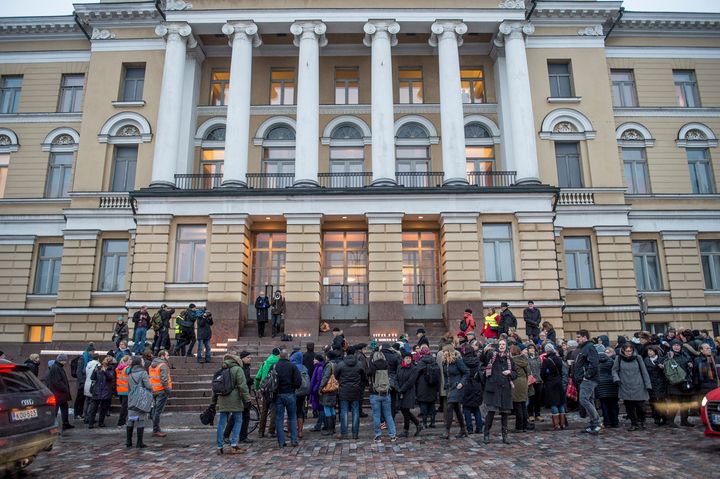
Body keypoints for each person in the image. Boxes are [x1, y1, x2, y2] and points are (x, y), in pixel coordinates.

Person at [215, 352, 252, 454]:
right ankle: (234, 445)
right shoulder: (238, 369)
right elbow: (242, 386)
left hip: (222, 399)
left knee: (221, 423)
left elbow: (215, 386)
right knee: (238, 420)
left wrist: (213, 402)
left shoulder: (221, 369)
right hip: (235, 399)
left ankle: (219, 446)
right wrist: (247, 399)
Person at [483, 338, 517, 444]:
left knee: (505, 414)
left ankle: (505, 436)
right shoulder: (492, 356)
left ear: (506, 346)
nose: (502, 346)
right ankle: (486, 434)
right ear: (498, 346)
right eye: (500, 344)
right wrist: (484, 351)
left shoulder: (509, 359)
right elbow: (482, 360)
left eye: (503, 344)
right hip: (494, 388)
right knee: (491, 412)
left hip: (505, 388)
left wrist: (509, 372)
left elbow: (515, 373)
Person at [612, 343, 652, 431]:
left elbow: (644, 372)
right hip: (625, 385)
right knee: (629, 407)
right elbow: (614, 370)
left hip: (638, 385)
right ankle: (634, 423)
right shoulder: (619, 359)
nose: (629, 353)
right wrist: (617, 379)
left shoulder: (638, 358)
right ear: (623, 351)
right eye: (627, 351)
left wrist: (648, 385)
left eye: (630, 351)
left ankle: (642, 421)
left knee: (640, 406)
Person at [335, 346, 366, 440]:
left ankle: (344, 433)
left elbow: (336, 375)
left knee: (344, 412)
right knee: (355, 412)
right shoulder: (359, 364)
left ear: (346, 353)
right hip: (356, 390)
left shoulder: (341, 364)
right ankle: (355, 434)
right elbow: (363, 376)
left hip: (344, 390)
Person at [574, 329, 601, 435]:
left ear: (585, 337)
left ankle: (597, 423)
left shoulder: (589, 347)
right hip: (584, 379)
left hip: (589, 379)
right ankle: (593, 424)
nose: (577, 339)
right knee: (589, 400)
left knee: (584, 399)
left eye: (578, 337)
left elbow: (594, 363)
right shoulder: (583, 348)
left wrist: (587, 376)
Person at [274, 348, 302, 448]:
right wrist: (294, 387)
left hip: (278, 394)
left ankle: (281, 442)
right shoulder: (292, 366)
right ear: (287, 356)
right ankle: (294, 440)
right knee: (292, 417)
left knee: (279, 418)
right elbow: (298, 380)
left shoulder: (275, 366)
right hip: (290, 393)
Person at [440, 343, 469, 439]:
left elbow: (466, 372)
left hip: (457, 387)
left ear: (449, 352)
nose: (443, 353)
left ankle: (446, 431)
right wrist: (445, 386)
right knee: (456, 409)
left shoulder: (457, 361)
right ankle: (463, 429)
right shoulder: (444, 362)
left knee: (449, 407)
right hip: (449, 388)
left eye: (444, 351)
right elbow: (445, 375)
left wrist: (462, 383)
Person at [368, 349, 397, 442]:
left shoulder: (373, 366)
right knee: (388, 415)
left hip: (375, 393)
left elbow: (368, 374)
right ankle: (392, 435)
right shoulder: (387, 365)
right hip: (386, 392)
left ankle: (378, 435)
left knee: (376, 415)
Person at [665, 339, 695, 427]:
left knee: (686, 403)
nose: (676, 347)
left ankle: (684, 420)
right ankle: (670, 421)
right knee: (675, 402)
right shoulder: (669, 355)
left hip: (685, 381)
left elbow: (690, 362)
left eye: (678, 345)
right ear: (672, 346)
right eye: (675, 345)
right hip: (674, 383)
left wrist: (690, 364)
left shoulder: (685, 354)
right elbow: (663, 363)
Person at [126, 356, 152, 449]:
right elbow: (148, 386)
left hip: (132, 399)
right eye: (142, 361)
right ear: (139, 363)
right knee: (140, 419)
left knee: (131, 418)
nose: (143, 362)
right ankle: (139, 442)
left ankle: (128, 442)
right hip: (141, 399)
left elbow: (128, 388)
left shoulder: (129, 372)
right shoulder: (143, 372)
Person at [254, 348, 280, 437]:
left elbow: (258, 377)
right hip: (274, 390)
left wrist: (257, 388)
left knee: (264, 411)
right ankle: (271, 431)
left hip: (265, 390)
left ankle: (261, 432)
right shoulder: (279, 363)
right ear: (278, 355)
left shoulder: (265, 362)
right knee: (273, 411)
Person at [540, 343, 566, 430]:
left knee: (554, 403)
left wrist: (546, 379)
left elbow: (542, 373)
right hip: (559, 382)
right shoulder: (559, 359)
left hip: (550, 383)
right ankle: (563, 424)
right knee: (561, 403)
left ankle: (556, 424)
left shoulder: (546, 360)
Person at [45, 353, 74, 431]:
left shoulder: (57, 367)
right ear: (62, 360)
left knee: (64, 407)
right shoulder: (56, 368)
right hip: (58, 393)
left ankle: (65, 423)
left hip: (60, 393)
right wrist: (65, 389)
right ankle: (53, 425)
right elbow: (57, 381)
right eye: (65, 360)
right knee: (55, 409)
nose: (66, 362)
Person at [396, 352, 422, 438]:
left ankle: (406, 430)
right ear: (403, 359)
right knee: (404, 410)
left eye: (409, 358)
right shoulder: (400, 367)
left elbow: (410, 382)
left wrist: (402, 389)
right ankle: (418, 424)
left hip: (408, 392)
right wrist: (397, 388)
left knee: (405, 410)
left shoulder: (414, 369)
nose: (408, 360)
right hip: (400, 391)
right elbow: (397, 378)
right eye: (407, 358)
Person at [149, 349, 172, 437]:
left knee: (155, 410)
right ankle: (156, 430)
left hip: (154, 390)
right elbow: (164, 380)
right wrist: (168, 390)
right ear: (162, 356)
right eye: (167, 355)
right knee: (158, 411)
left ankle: (155, 428)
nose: (168, 357)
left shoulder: (152, 365)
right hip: (162, 390)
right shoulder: (163, 365)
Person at [461, 346, 483, 435]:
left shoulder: (462, 361)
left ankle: (469, 429)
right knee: (476, 408)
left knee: (466, 408)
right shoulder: (477, 361)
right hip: (476, 384)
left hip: (466, 385)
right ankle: (479, 428)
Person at [87, 356, 114, 428]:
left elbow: (110, 378)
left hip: (106, 391)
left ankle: (101, 422)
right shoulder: (98, 368)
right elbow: (92, 378)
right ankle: (91, 423)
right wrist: (94, 371)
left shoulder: (111, 369)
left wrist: (105, 372)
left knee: (103, 409)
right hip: (97, 391)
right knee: (93, 408)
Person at [645, 345, 668, 426]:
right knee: (653, 402)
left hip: (661, 383)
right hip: (651, 383)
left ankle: (665, 418)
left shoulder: (661, 359)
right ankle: (656, 418)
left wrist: (663, 368)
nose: (649, 352)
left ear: (655, 351)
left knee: (661, 401)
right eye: (648, 351)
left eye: (651, 351)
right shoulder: (646, 360)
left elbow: (667, 371)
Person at [597, 346, 620, 429]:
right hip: (612, 384)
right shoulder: (611, 361)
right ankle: (615, 421)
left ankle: (607, 422)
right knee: (613, 404)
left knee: (604, 405)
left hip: (601, 385)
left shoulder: (597, 362)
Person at [319, 350, 340, 436]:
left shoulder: (328, 365)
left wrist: (320, 387)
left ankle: (329, 428)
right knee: (332, 408)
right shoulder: (336, 364)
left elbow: (326, 377)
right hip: (334, 388)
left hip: (328, 388)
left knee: (327, 407)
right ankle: (333, 428)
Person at [511, 345, 531, 433]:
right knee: (523, 404)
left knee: (518, 405)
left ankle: (519, 426)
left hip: (516, 382)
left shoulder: (512, 361)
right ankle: (525, 425)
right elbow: (528, 372)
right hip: (524, 381)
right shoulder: (524, 360)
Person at [236, 351, 255, 444]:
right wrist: (251, 381)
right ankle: (242, 437)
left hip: (245, 393)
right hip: (243, 395)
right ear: (242, 358)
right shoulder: (241, 368)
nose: (250, 358)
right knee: (244, 416)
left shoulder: (246, 367)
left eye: (250, 357)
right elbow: (243, 381)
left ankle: (242, 436)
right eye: (248, 357)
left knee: (242, 416)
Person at [290, 350, 309, 438]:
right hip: (302, 393)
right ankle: (300, 432)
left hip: (293, 392)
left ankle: (291, 431)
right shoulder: (304, 367)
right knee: (300, 411)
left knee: (292, 412)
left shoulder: (292, 366)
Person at [73, 343, 95, 421]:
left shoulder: (89, 359)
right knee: (79, 398)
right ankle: (76, 413)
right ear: (89, 351)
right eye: (92, 351)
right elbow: (79, 371)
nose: (93, 353)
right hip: (82, 382)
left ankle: (80, 413)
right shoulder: (82, 359)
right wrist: (82, 381)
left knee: (83, 398)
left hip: (86, 381)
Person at [526, 344, 544, 423]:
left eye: (533, 348)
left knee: (538, 398)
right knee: (531, 398)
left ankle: (538, 414)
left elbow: (541, 368)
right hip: (530, 381)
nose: (531, 350)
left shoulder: (538, 358)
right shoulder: (526, 358)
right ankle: (530, 414)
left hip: (539, 380)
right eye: (530, 349)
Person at [309, 353, 326, 432]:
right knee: (321, 409)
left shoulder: (319, 368)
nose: (313, 360)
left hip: (317, 392)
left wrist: (315, 389)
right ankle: (324, 424)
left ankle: (318, 426)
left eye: (315, 359)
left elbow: (319, 380)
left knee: (321, 409)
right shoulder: (318, 367)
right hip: (317, 391)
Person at [83, 352, 100, 423]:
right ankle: (89, 418)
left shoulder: (88, 364)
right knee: (92, 402)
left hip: (86, 383)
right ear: (98, 358)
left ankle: (85, 416)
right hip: (93, 385)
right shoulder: (98, 364)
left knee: (87, 401)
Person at [115, 355, 131, 427]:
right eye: (130, 360)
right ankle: (121, 422)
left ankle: (122, 422)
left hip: (120, 390)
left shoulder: (118, 368)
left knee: (123, 407)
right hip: (126, 390)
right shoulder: (127, 369)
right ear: (126, 361)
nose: (131, 362)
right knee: (124, 408)